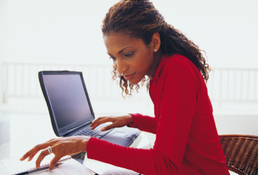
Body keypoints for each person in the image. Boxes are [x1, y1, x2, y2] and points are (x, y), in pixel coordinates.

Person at [20, 0, 230, 174]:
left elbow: (164, 163)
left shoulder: (176, 71)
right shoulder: (161, 75)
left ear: (154, 42)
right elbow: (176, 128)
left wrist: (87, 144)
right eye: (113, 57)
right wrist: (133, 119)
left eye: (127, 54)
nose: (120, 68)